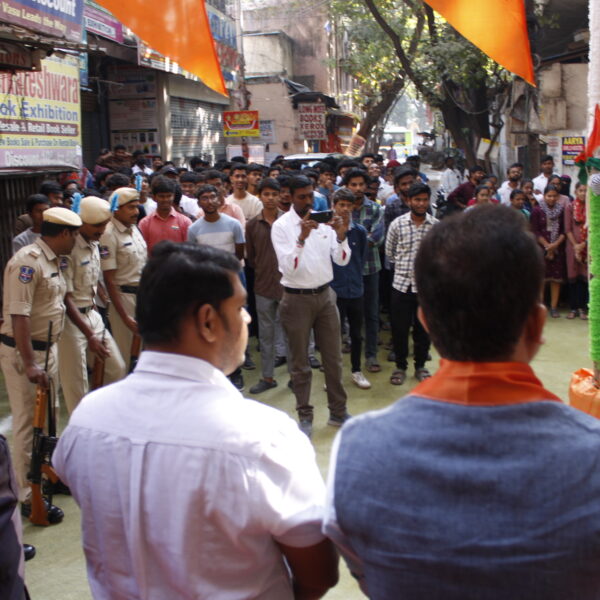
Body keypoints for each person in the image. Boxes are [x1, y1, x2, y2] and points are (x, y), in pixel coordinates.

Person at [324, 204, 600, 599]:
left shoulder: (357, 449)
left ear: (425, 322)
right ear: (538, 325)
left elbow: (363, 571)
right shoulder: (592, 452)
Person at [54, 242, 339, 599]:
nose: (247, 319)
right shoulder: (261, 435)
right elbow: (318, 572)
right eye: (240, 308)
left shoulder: (87, 419)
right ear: (208, 321)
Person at [0, 207, 82, 522]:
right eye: (74, 234)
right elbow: (19, 316)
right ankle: (26, 491)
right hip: (25, 354)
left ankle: (46, 476)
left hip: (48, 349)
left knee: (48, 420)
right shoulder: (26, 263)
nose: (76, 239)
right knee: (26, 424)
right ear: (63, 233)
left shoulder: (55, 261)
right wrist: (31, 364)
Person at [272, 175, 351, 439]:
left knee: (333, 359)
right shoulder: (282, 226)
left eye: (310, 195)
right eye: (301, 196)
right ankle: (305, 415)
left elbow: (341, 261)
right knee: (300, 363)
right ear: (289, 196)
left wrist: (341, 236)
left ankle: (339, 412)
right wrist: (302, 239)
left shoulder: (324, 221)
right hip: (296, 299)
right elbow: (288, 268)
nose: (307, 201)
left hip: (326, 296)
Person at [58, 197, 126, 414]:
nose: (102, 229)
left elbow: (92, 282)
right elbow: (66, 298)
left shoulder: (95, 242)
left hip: (92, 313)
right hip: (71, 321)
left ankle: (101, 415)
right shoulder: (69, 248)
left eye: (105, 224)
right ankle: (80, 431)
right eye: (97, 225)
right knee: (76, 386)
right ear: (81, 223)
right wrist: (90, 335)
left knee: (117, 369)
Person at [385, 183, 437, 386]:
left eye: (425, 200)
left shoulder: (435, 226)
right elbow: (390, 253)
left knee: (423, 329)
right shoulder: (397, 224)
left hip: (425, 288)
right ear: (408, 201)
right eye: (417, 200)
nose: (421, 203)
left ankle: (420, 366)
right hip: (400, 286)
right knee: (399, 329)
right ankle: (400, 366)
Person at [246, 179, 287, 394]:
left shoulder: (290, 222)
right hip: (262, 287)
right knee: (266, 335)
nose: (270, 198)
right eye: (266, 194)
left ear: (280, 195)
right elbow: (251, 259)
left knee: (291, 333)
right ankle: (268, 377)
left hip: (288, 286)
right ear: (260, 196)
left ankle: (295, 377)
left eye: (274, 194)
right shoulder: (252, 225)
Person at [99, 187, 147, 371]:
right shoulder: (108, 234)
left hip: (142, 296)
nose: (136, 212)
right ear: (116, 209)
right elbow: (109, 279)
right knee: (129, 355)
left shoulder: (134, 228)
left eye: (137, 207)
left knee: (145, 354)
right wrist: (124, 316)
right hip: (124, 298)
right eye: (131, 207)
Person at [343, 168, 384, 373]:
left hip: (370, 268)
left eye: (361, 184)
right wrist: (360, 237)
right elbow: (336, 238)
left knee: (371, 313)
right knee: (348, 314)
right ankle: (351, 349)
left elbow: (375, 240)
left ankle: (371, 354)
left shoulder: (376, 209)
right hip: (345, 272)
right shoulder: (342, 210)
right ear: (347, 186)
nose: (358, 189)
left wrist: (352, 239)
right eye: (353, 184)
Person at [330, 189, 370, 389]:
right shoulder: (326, 231)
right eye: (341, 205)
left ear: (354, 207)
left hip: (355, 289)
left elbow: (360, 258)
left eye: (349, 205)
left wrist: (355, 280)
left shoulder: (360, 231)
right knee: (333, 335)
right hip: (333, 290)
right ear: (334, 206)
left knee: (356, 333)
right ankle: (333, 375)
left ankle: (356, 370)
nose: (345, 209)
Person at [530, 184, 566, 318]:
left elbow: (564, 230)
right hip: (541, 248)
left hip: (557, 249)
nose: (551, 198)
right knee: (541, 279)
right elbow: (534, 230)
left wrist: (555, 245)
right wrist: (547, 246)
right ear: (544, 196)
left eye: (554, 196)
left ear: (558, 197)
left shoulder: (561, 210)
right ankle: (541, 307)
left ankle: (554, 307)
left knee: (556, 279)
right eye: (549, 196)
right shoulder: (537, 210)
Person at [138, 176, 192, 254]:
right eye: (161, 196)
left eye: (169, 196)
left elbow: (188, 250)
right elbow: (143, 251)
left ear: (173, 196)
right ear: (154, 197)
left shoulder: (185, 222)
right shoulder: (144, 223)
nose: (165, 199)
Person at [564, 181, 588, 319]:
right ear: (575, 192)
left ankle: (582, 309)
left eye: (585, 191)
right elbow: (567, 229)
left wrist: (584, 244)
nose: (583, 193)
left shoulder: (593, 208)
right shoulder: (570, 207)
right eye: (581, 191)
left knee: (584, 278)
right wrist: (576, 247)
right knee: (573, 277)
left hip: (587, 246)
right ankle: (573, 308)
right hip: (572, 246)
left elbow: (593, 228)